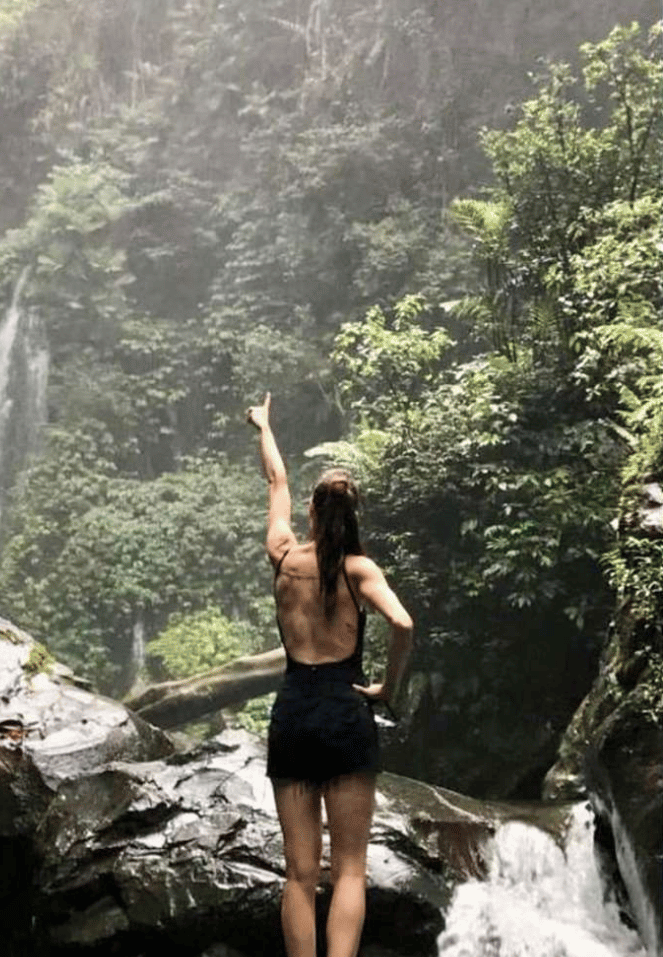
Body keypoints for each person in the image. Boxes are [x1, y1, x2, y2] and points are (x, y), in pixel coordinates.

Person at [246, 393, 414, 957]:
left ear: (313, 515)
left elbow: (276, 482)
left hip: (293, 714)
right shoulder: (359, 569)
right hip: (345, 714)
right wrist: (389, 689)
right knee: (348, 869)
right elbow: (403, 624)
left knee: (298, 873)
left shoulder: (284, 557)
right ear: (353, 518)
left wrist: (264, 426)